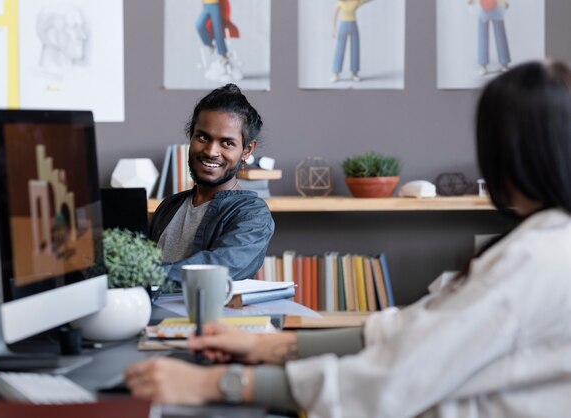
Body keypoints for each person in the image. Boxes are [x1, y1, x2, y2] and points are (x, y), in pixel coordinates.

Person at [127, 60, 571, 416]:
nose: (210, 150)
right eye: (202, 137)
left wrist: (218, 383)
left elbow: (397, 375)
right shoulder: (541, 241)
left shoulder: (541, 258)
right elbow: (406, 329)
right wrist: (271, 344)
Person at [149, 84, 274, 283]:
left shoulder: (253, 215)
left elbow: (215, 269)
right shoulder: (169, 205)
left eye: (227, 143)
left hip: (212, 315)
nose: (210, 151)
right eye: (203, 137)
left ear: (247, 150)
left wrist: (141, 275)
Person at [331, 0, 371, 83]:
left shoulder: (356, 2)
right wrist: (333, 29)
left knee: (355, 48)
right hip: (343, 25)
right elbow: (334, 15)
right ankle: (335, 73)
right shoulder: (340, 2)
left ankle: (354, 73)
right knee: (340, 49)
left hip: (354, 25)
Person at [468, 0, 511, 76]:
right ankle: (482, 64)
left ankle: (504, 62)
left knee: (500, 35)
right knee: (482, 36)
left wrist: (503, 3)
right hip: (483, 8)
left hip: (497, 7)